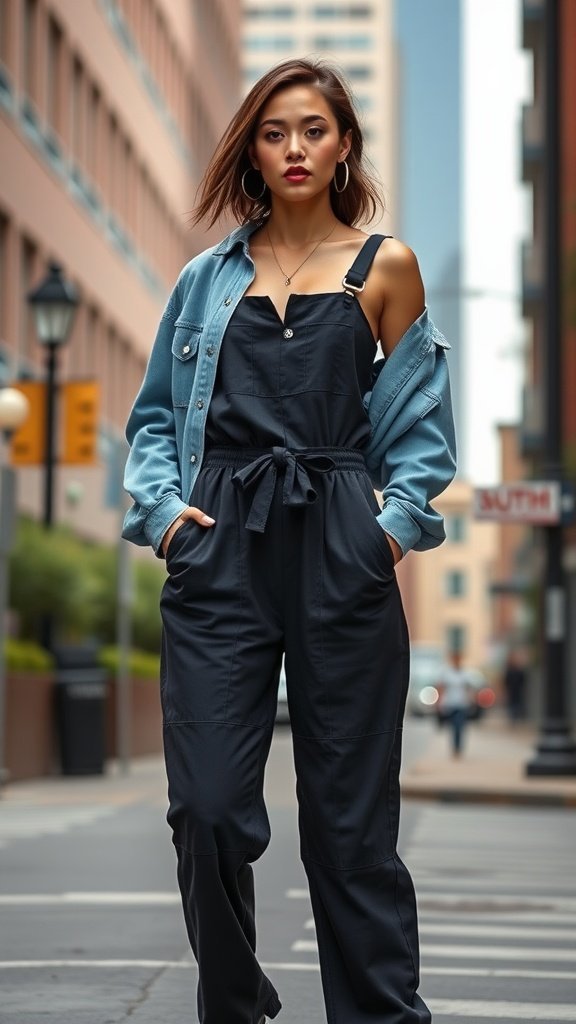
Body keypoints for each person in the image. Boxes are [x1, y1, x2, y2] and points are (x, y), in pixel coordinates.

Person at [123, 57, 456, 1024]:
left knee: (350, 828)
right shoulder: (204, 279)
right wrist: (161, 515)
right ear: (253, 151)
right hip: (220, 543)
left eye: (313, 129)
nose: (295, 149)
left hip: (339, 544)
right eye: (274, 133)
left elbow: (421, 431)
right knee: (209, 811)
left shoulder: (384, 266)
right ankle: (233, 1004)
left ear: (343, 141)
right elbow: (152, 421)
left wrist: (384, 536)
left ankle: (381, 1016)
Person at [436, 651, 476, 757]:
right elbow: (441, 688)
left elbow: (469, 688)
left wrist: (471, 700)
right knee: (453, 727)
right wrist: (439, 702)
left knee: (460, 726)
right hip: (450, 704)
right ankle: (454, 747)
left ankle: (459, 748)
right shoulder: (446, 673)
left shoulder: (465, 673)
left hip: (462, 704)